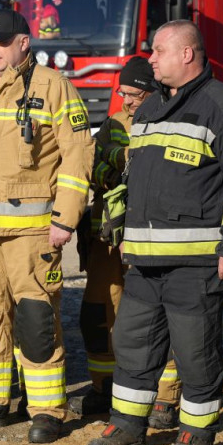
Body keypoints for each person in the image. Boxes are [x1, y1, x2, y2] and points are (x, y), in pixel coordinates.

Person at [87, 20, 223, 445]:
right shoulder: (147, 110)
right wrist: (126, 234)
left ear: (187, 54)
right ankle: (127, 426)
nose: (151, 59)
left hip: (197, 262)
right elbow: (138, 182)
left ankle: (196, 432)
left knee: (195, 351)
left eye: (158, 50)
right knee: (133, 346)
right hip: (144, 260)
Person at [0, 9, 93, 444]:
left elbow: (77, 155)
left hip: (33, 233)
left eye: (2, 41)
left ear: (24, 43)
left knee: (35, 319)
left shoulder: (53, 87)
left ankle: (48, 410)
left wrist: (65, 218)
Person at [70, 56, 157, 415]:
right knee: (98, 313)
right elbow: (96, 165)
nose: (127, 102)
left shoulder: (169, 120)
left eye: (135, 94)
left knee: (151, 315)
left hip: (151, 236)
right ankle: (103, 386)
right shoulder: (113, 125)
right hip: (106, 239)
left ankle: (163, 395)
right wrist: (126, 160)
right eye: (123, 93)